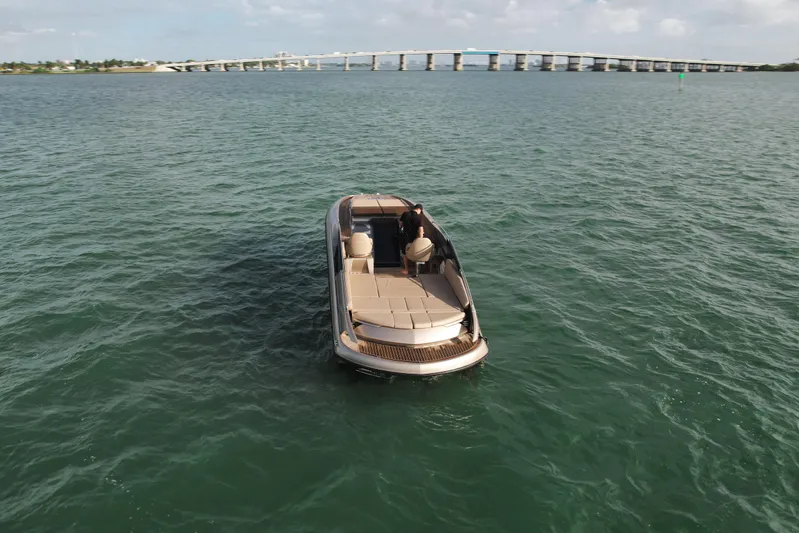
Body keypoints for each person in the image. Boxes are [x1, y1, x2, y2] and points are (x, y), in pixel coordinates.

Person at [399, 204, 424, 274]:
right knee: (415, 253)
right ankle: (416, 271)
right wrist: (420, 239)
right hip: (413, 238)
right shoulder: (419, 218)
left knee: (404, 254)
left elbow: (400, 224)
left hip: (404, 237)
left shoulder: (405, 214)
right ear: (419, 209)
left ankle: (406, 270)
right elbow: (420, 230)